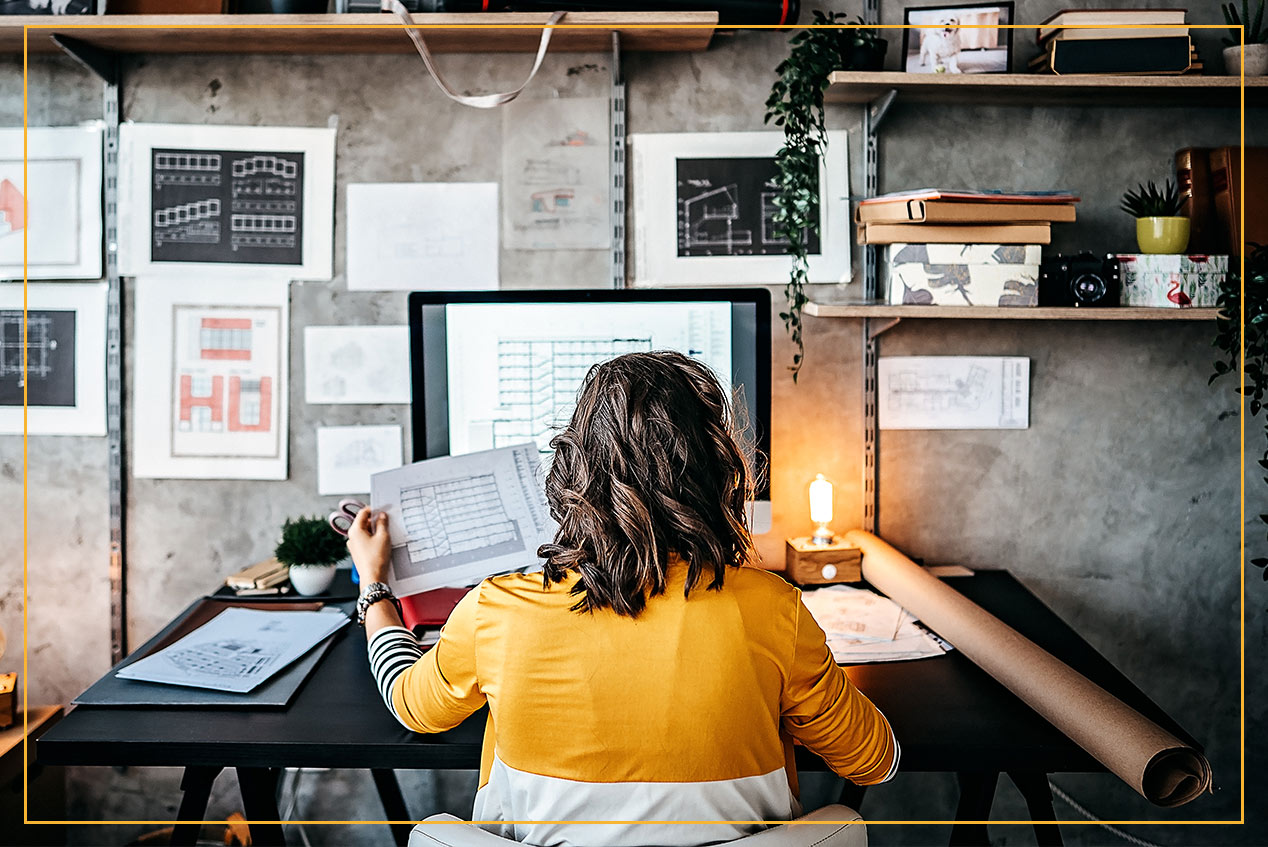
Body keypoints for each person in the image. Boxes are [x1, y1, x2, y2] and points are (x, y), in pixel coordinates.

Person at [347, 351, 898, 847]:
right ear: (719, 474)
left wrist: (375, 586)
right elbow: (874, 761)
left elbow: (410, 705)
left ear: (572, 472)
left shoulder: (497, 610)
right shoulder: (773, 609)